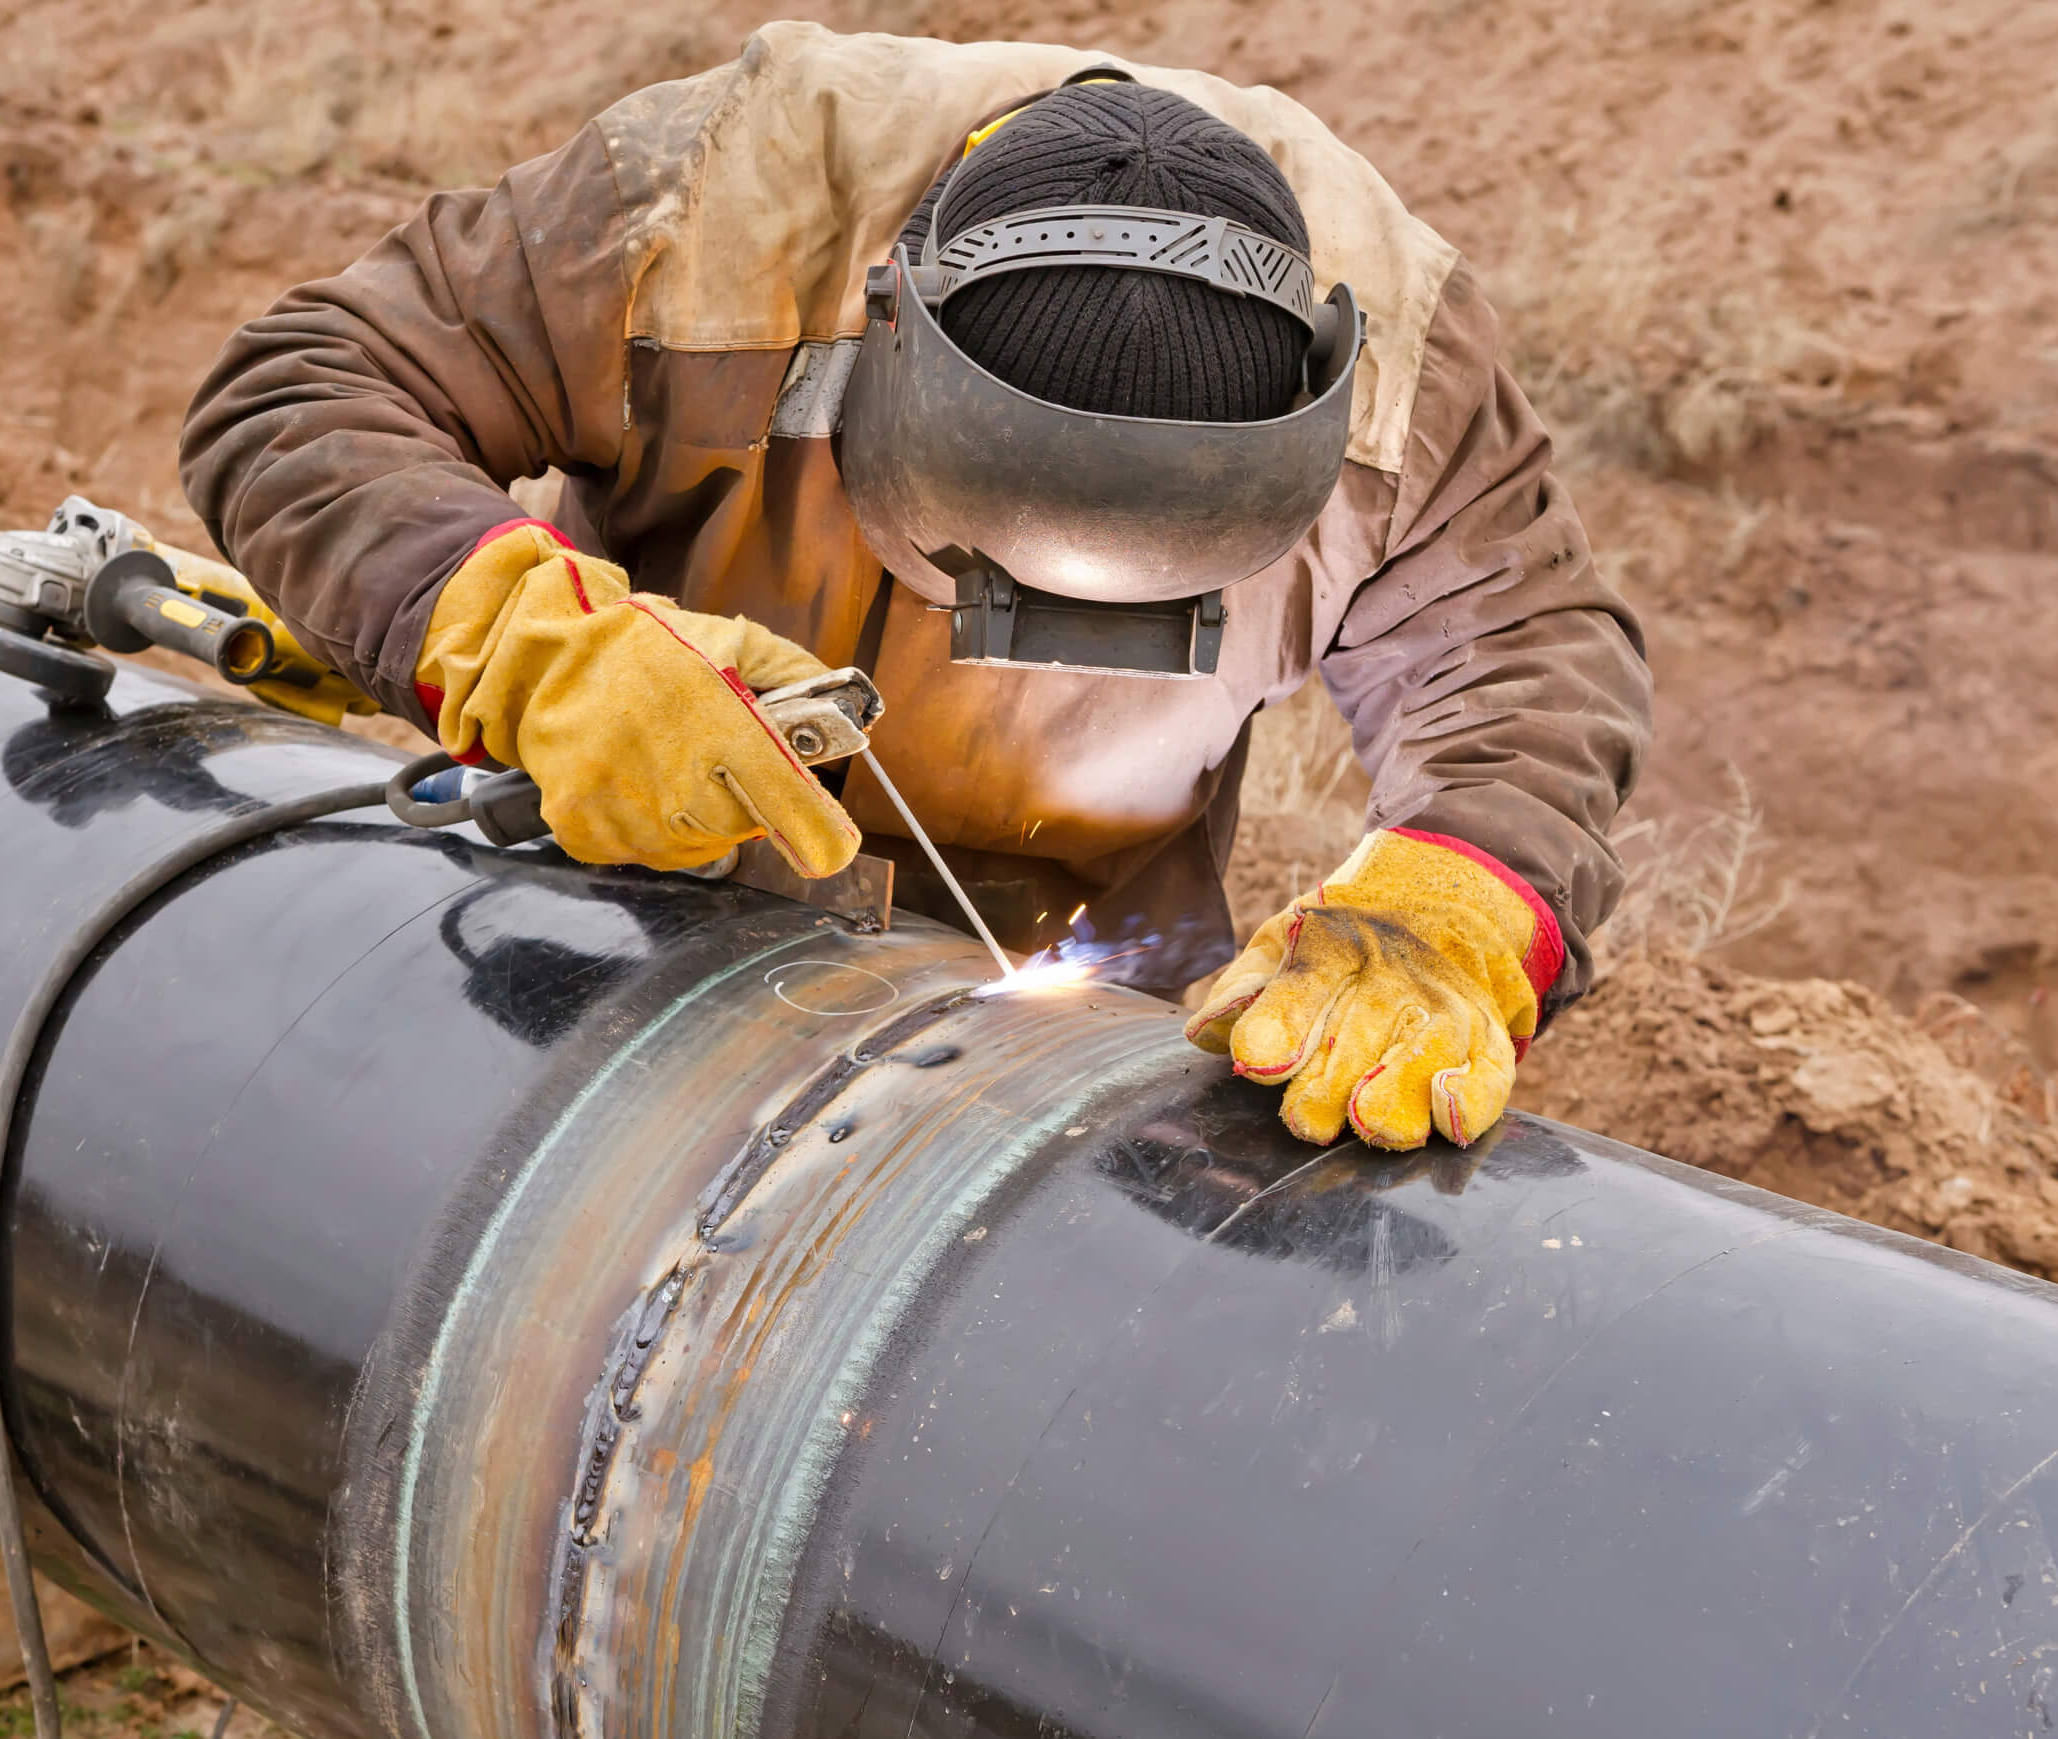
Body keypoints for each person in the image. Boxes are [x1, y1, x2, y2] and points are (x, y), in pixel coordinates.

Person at [178, 26, 1651, 1152]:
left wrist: (1465, 893)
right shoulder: (714, 212)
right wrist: (518, 631)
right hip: (645, 914)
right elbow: (308, 387)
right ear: (884, 332)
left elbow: (1525, 644)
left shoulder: (1400, 362)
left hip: (1086, 993)